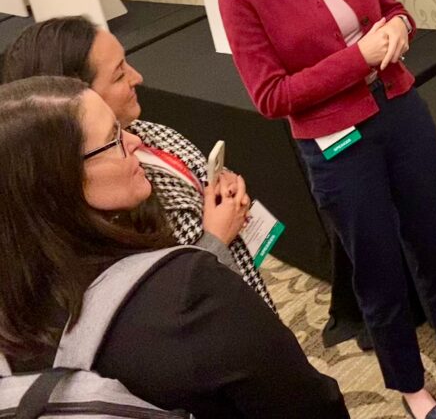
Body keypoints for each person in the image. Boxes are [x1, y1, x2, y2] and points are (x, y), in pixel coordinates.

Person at [218, 0, 436, 419]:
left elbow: (393, 6)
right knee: (378, 267)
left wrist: (400, 28)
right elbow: (271, 95)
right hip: (337, 144)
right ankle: (410, 388)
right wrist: (358, 60)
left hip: (401, 111)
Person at [0, 76, 348, 417]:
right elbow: (309, 404)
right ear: (59, 185)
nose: (135, 141)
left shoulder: (15, 316)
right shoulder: (188, 294)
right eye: (113, 139)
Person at [1, 16, 275, 310]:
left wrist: (222, 188)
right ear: (69, 101)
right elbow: (169, 311)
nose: (138, 77)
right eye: (118, 76)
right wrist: (217, 239)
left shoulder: (142, 130)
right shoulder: (101, 210)